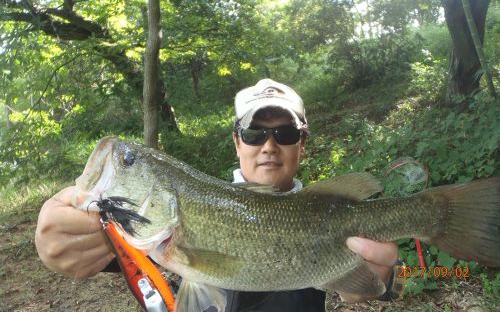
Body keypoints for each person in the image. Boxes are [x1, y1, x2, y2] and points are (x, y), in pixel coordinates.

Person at [35, 78, 399, 311]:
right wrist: (65, 241)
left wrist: (382, 281)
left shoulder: (329, 206)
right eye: (255, 134)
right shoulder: (164, 229)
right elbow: (114, 254)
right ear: (237, 142)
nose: (269, 146)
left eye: (285, 134)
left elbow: (373, 280)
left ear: (303, 144)